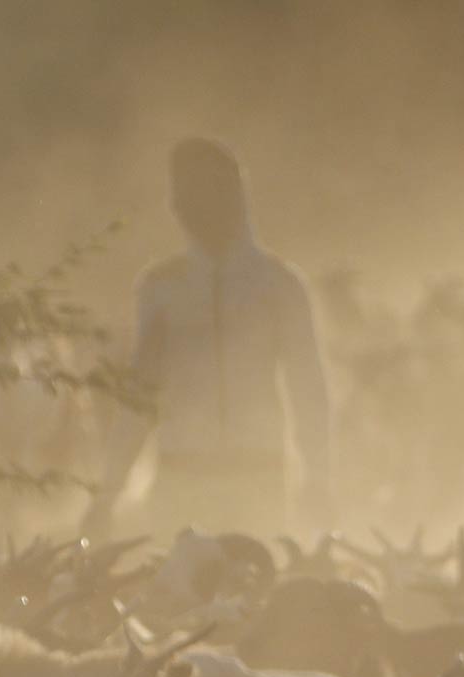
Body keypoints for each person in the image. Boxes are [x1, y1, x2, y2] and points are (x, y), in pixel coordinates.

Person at [84, 138, 330, 538]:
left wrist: (319, 477)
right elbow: (139, 396)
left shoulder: (278, 284)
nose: (181, 205)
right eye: (179, 193)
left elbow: (308, 387)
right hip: (181, 476)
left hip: (258, 475)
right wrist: (108, 492)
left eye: (197, 191)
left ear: (235, 196)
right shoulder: (161, 286)